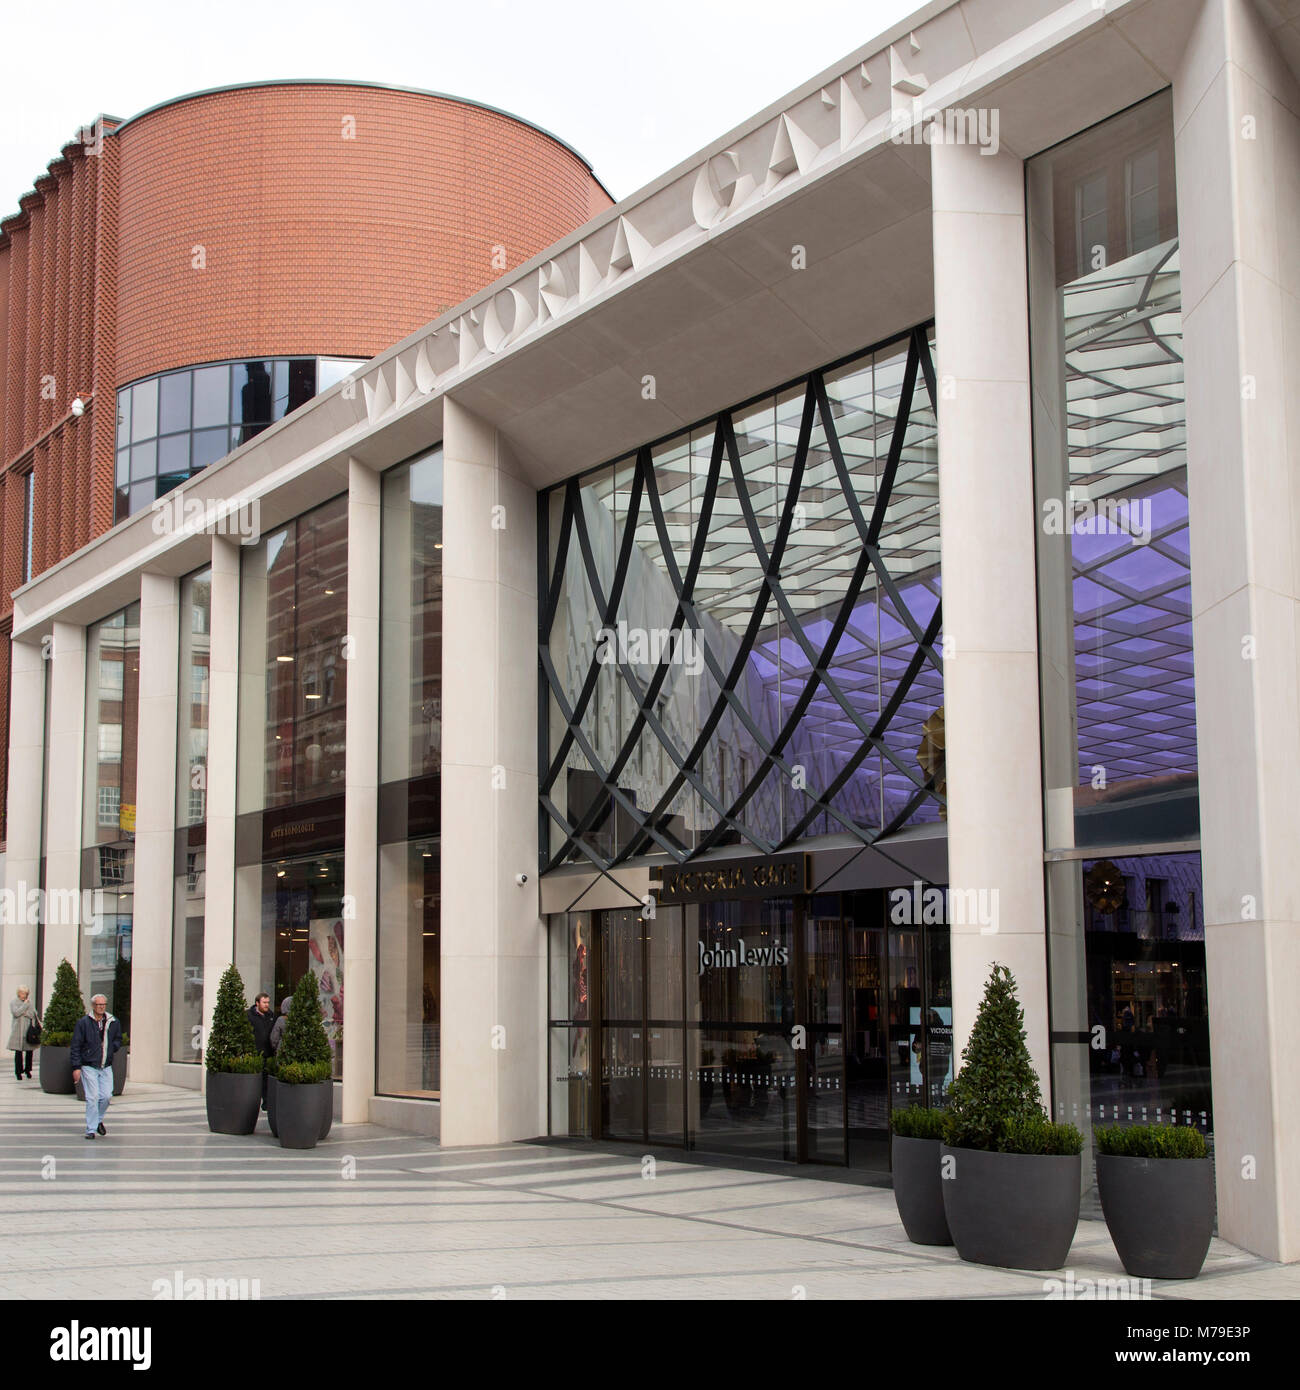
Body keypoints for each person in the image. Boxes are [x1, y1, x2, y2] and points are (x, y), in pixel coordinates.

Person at [70, 994, 121, 1140]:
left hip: (106, 1065)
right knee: (92, 1097)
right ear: (93, 1006)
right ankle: (91, 1129)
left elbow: (118, 1038)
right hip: (89, 1065)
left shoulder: (113, 1021)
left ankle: (98, 1120)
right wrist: (76, 1067)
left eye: (104, 1004)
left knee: (106, 1096)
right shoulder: (84, 1023)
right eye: (99, 1005)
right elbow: (76, 1045)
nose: (101, 1007)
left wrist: (113, 1048)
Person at [248, 992, 276, 1110]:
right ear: (257, 1003)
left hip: (267, 1053)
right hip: (254, 1053)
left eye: (268, 1002)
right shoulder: (249, 1015)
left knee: (266, 1080)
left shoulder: (271, 1015)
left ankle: (266, 1103)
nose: (266, 1005)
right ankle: (252, 1104)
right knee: (254, 1081)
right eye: (264, 1002)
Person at [8, 986, 40, 1080]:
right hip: (17, 1031)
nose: (24, 995)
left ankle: (28, 1070)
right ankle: (18, 1072)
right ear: (19, 993)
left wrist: (24, 1012)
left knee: (29, 1051)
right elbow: (16, 1013)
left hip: (28, 1030)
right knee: (18, 1052)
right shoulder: (14, 1002)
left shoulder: (29, 1002)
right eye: (22, 993)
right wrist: (24, 1007)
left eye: (25, 993)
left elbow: (33, 1014)